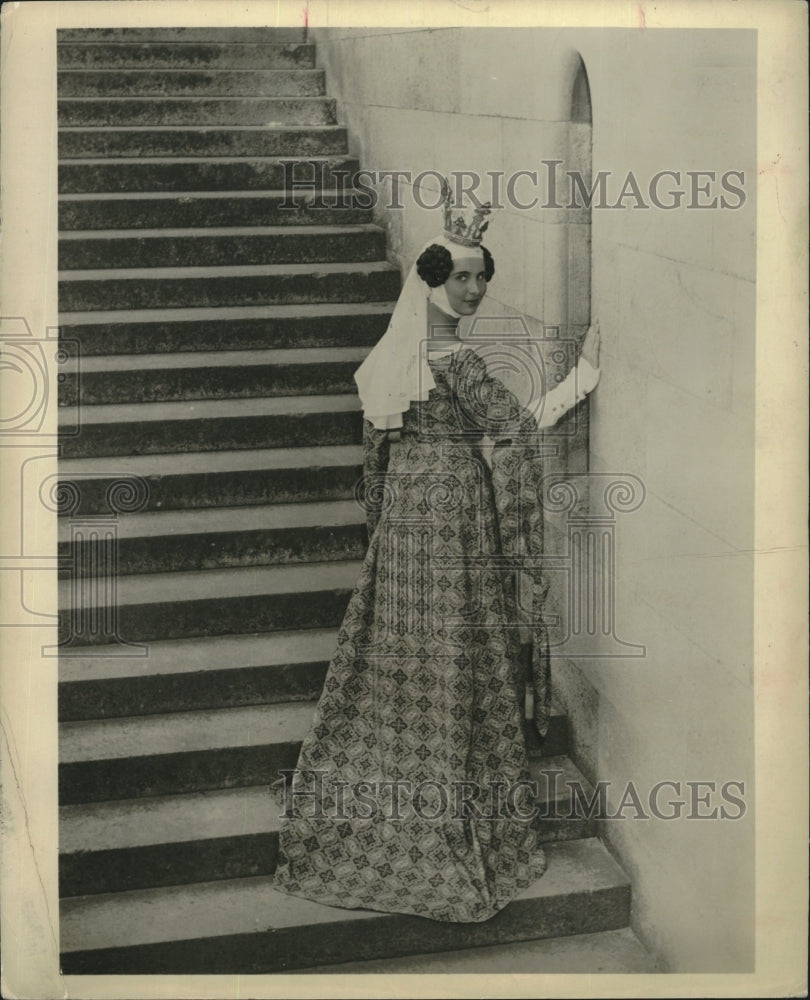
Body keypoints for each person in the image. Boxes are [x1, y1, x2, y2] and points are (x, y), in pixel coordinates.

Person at [272, 195, 601, 923]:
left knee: (409, 650)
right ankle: (450, 807)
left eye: (481, 277)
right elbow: (515, 430)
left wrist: (384, 529)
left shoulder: (393, 356)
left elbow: (374, 456)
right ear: (430, 283)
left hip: (405, 520)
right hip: (453, 514)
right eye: (462, 279)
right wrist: (579, 380)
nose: (475, 291)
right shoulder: (453, 356)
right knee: (462, 647)